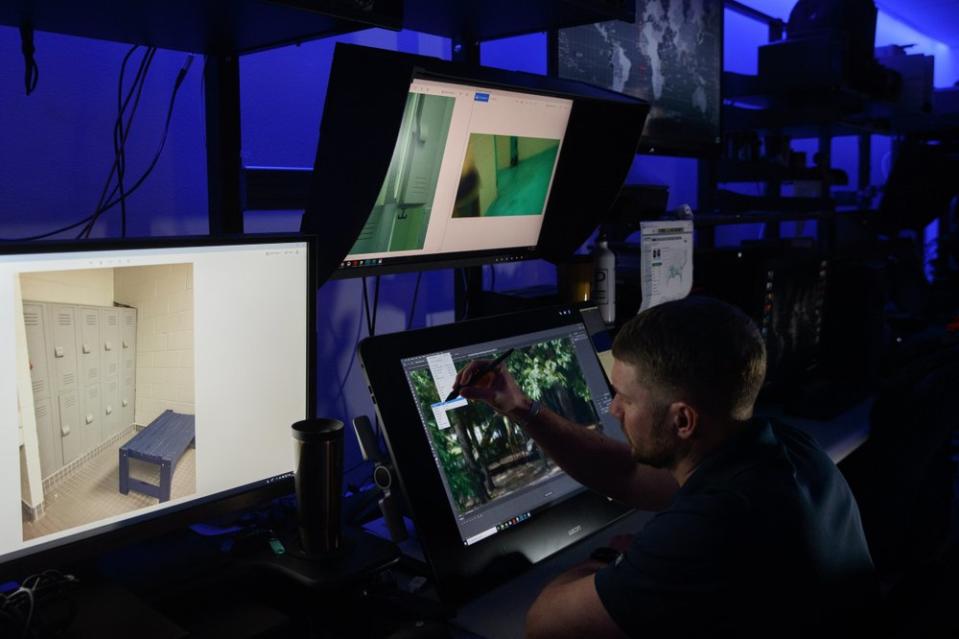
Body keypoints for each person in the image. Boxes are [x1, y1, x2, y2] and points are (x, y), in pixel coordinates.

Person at [454, 296, 877, 639]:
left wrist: (611, 560)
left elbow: (545, 624)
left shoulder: (712, 527)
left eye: (624, 397)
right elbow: (625, 474)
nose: (614, 409)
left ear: (682, 420)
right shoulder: (782, 449)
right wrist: (522, 408)